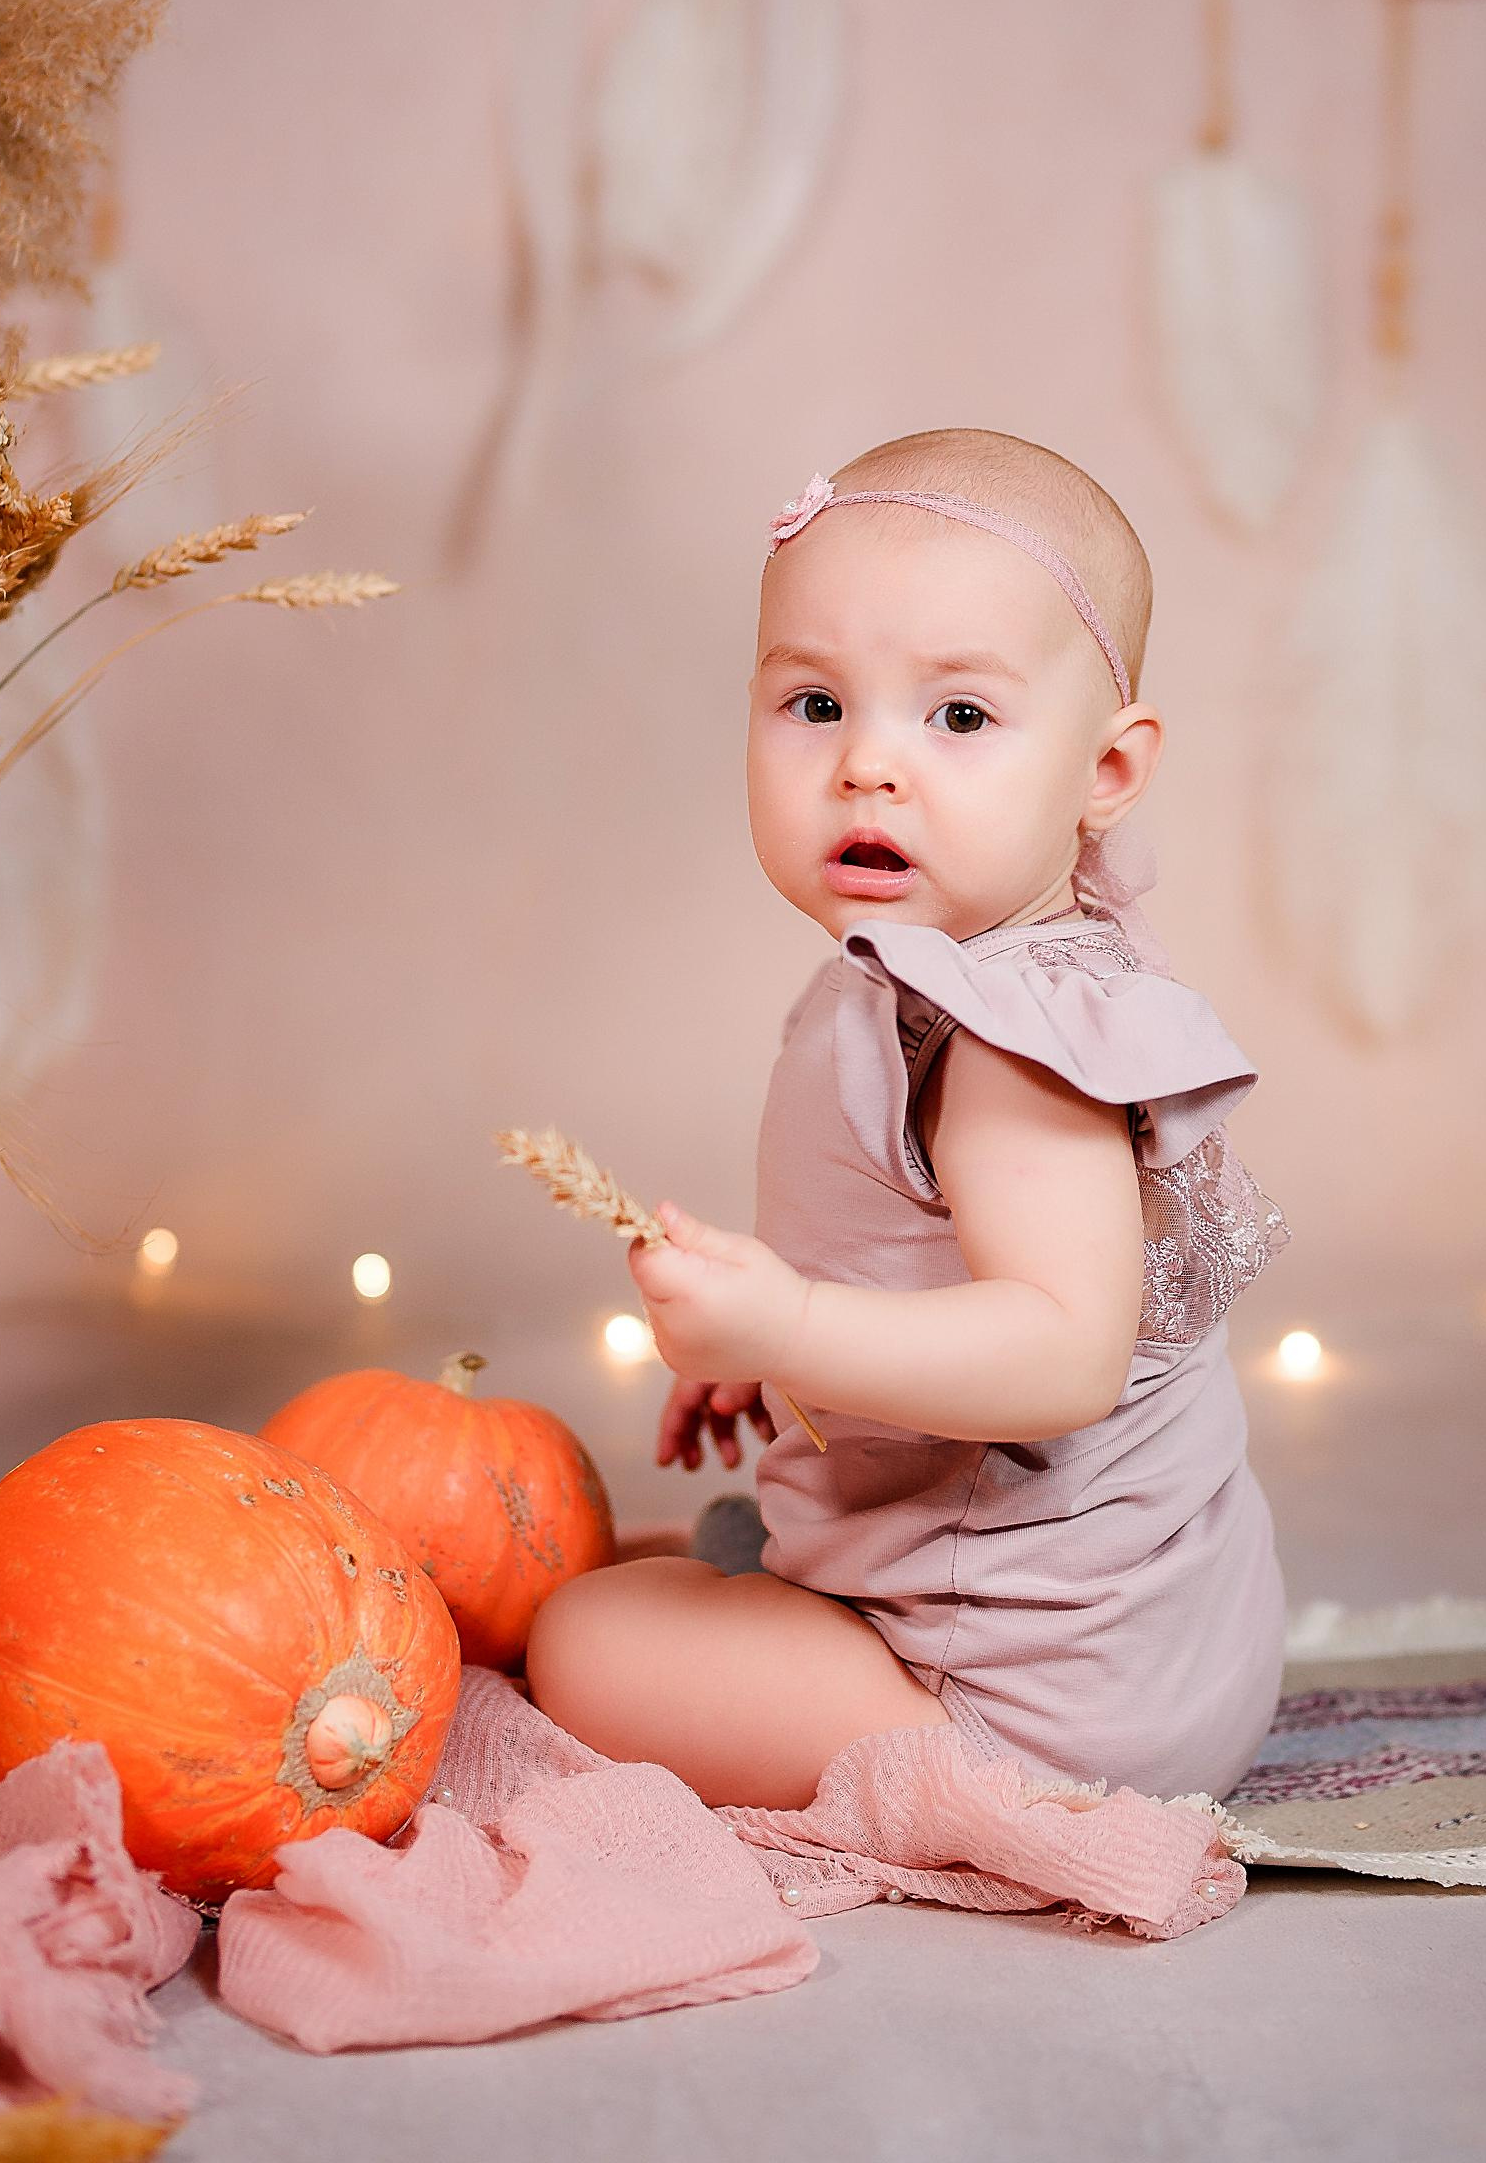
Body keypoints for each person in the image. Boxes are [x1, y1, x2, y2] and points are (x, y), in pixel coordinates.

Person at [526, 429, 1288, 1812]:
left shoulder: (1016, 1043)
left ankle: (942, 1762)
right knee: (642, 1563)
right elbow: (926, 1251)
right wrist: (786, 1357)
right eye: (815, 706)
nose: (870, 767)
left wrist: (795, 1331)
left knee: (579, 1635)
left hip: (1034, 1702)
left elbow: (1064, 1353)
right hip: (1131, 1651)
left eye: (958, 719)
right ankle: (794, 1616)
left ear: (1106, 773)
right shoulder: (936, 975)